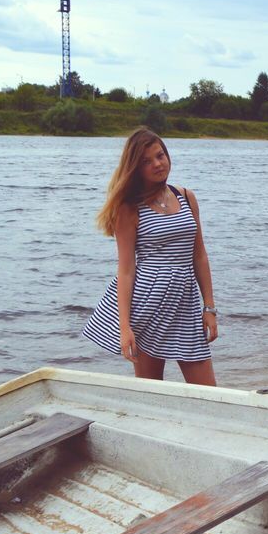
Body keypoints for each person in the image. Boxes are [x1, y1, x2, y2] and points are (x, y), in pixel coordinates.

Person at [82, 128, 219, 385]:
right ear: (136, 168)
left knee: (208, 392)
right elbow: (126, 270)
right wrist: (125, 328)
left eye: (160, 155)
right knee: (151, 392)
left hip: (185, 302)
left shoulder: (186, 197)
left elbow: (199, 255)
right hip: (148, 304)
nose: (157, 164)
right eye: (147, 161)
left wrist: (209, 307)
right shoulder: (129, 208)